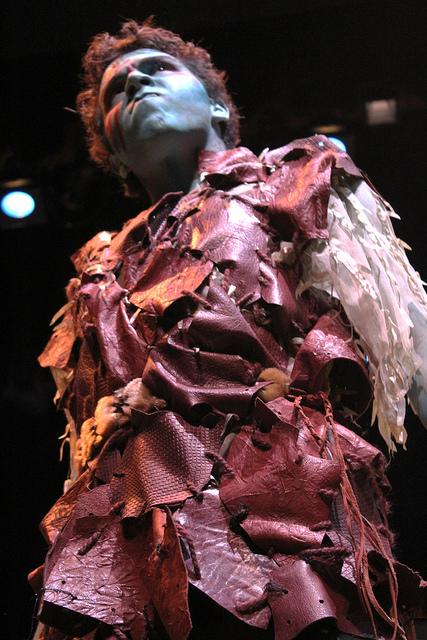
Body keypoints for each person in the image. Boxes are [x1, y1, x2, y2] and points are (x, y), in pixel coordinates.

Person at [30, 19, 427, 640]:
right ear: (111, 150)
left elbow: (408, 343)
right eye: (114, 91)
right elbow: (85, 431)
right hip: (129, 536)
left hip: (282, 514)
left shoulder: (291, 181)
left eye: (156, 70)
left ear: (215, 103)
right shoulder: (100, 266)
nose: (133, 82)